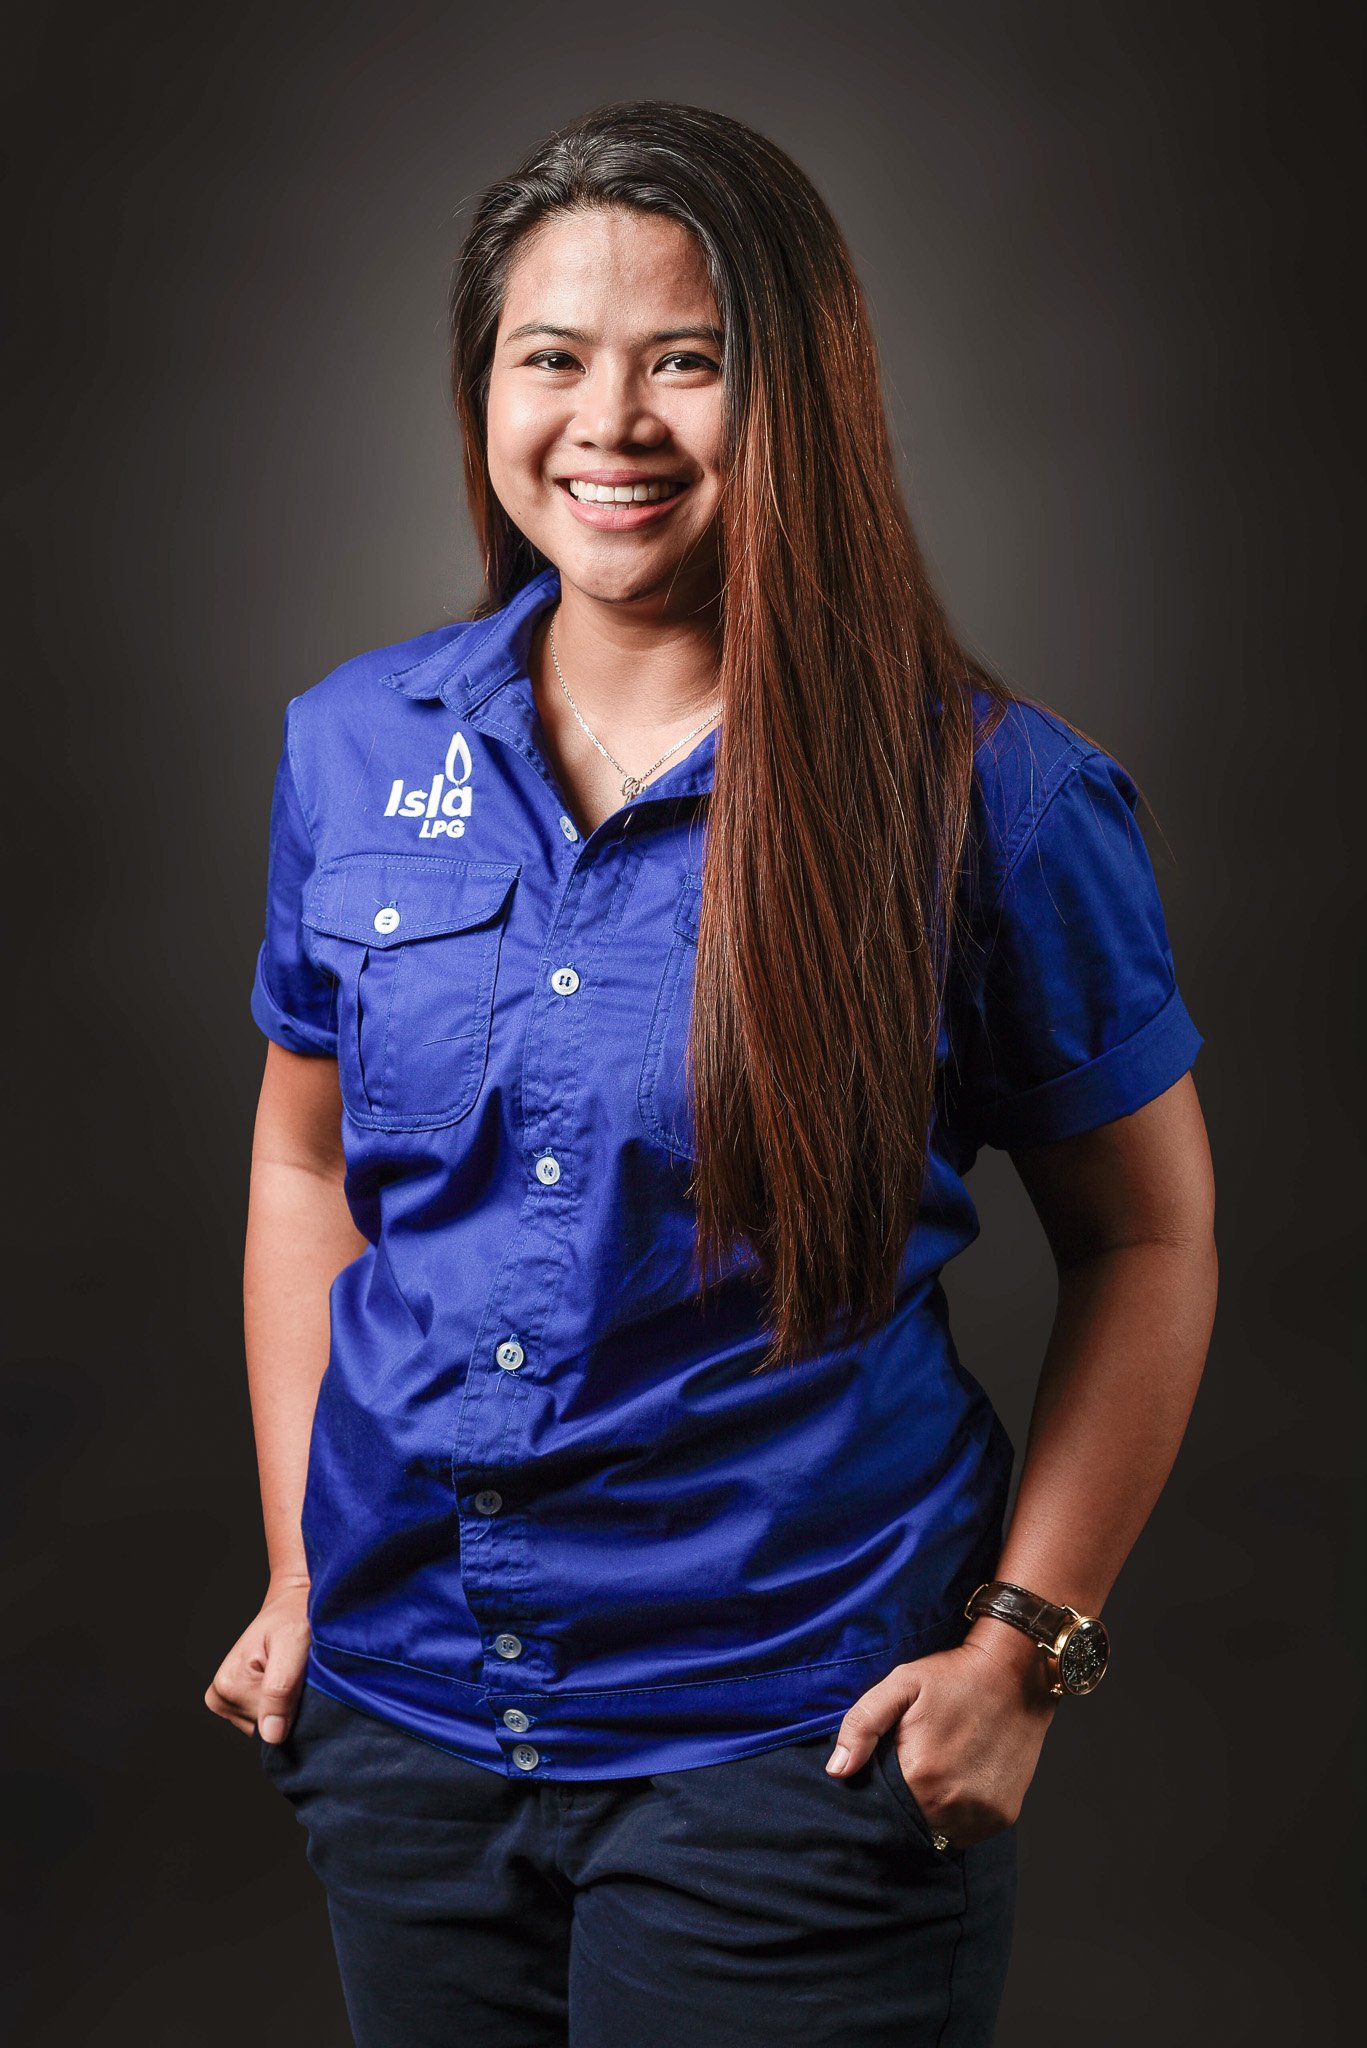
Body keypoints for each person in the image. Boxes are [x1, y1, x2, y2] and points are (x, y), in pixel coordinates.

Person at [206, 98, 1217, 2048]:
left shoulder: (990, 795)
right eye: (552, 358)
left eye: (689, 360)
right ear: (483, 390)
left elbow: (1152, 1237)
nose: (614, 421)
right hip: (405, 1736)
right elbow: (303, 1167)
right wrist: (298, 1559)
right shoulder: (349, 749)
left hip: (791, 1751)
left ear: (801, 392)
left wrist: (1025, 1647)